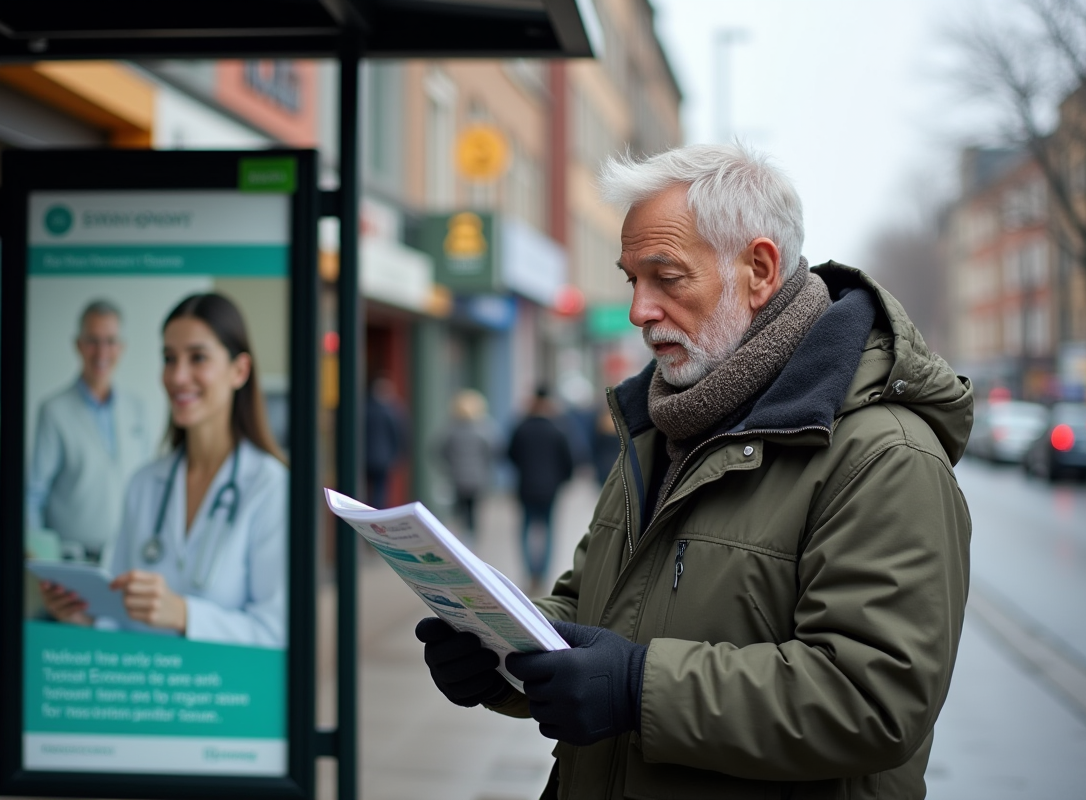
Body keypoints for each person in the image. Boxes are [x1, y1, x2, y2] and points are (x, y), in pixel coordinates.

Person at [415, 143, 972, 799]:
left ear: (759, 270)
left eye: (667, 278)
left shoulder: (883, 455)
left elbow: (873, 699)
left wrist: (636, 687)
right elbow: (589, 605)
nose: (639, 311)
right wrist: (500, 653)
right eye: (632, 280)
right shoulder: (662, 428)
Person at [41, 293, 288, 647]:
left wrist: (185, 615)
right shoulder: (144, 484)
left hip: (228, 696)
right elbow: (121, 617)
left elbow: (275, 633)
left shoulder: (270, 487)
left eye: (197, 357)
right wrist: (87, 619)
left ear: (239, 371)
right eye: (169, 358)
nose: (177, 376)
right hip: (153, 694)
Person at [26, 300, 151, 563]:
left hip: (125, 558)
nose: (102, 352)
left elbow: (147, 486)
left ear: (121, 347)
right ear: (78, 345)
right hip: (71, 560)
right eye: (93, 341)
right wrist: (39, 557)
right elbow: (34, 493)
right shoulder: (54, 411)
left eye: (110, 341)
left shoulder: (136, 409)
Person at [506, 387, 574, 590]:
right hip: (550, 488)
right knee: (549, 529)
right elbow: (569, 460)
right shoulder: (558, 429)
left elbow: (510, 455)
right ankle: (542, 573)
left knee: (526, 529)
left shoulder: (521, 428)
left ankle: (530, 572)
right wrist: (561, 480)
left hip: (526, 487)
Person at [437, 389, 500, 537]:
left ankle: (459, 536)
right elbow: (494, 450)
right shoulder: (485, 427)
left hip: (457, 476)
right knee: (472, 510)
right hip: (477, 477)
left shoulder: (451, 428)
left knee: (459, 509)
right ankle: (470, 538)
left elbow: (440, 450)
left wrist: (450, 465)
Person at [364, 375, 407, 509]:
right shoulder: (392, 411)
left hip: (366, 457)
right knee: (379, 489)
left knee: (365, 487)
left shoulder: (365, 408)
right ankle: (376, 513)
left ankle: (365, 512)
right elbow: (399, 434)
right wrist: (399, 454)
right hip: (383, 458)